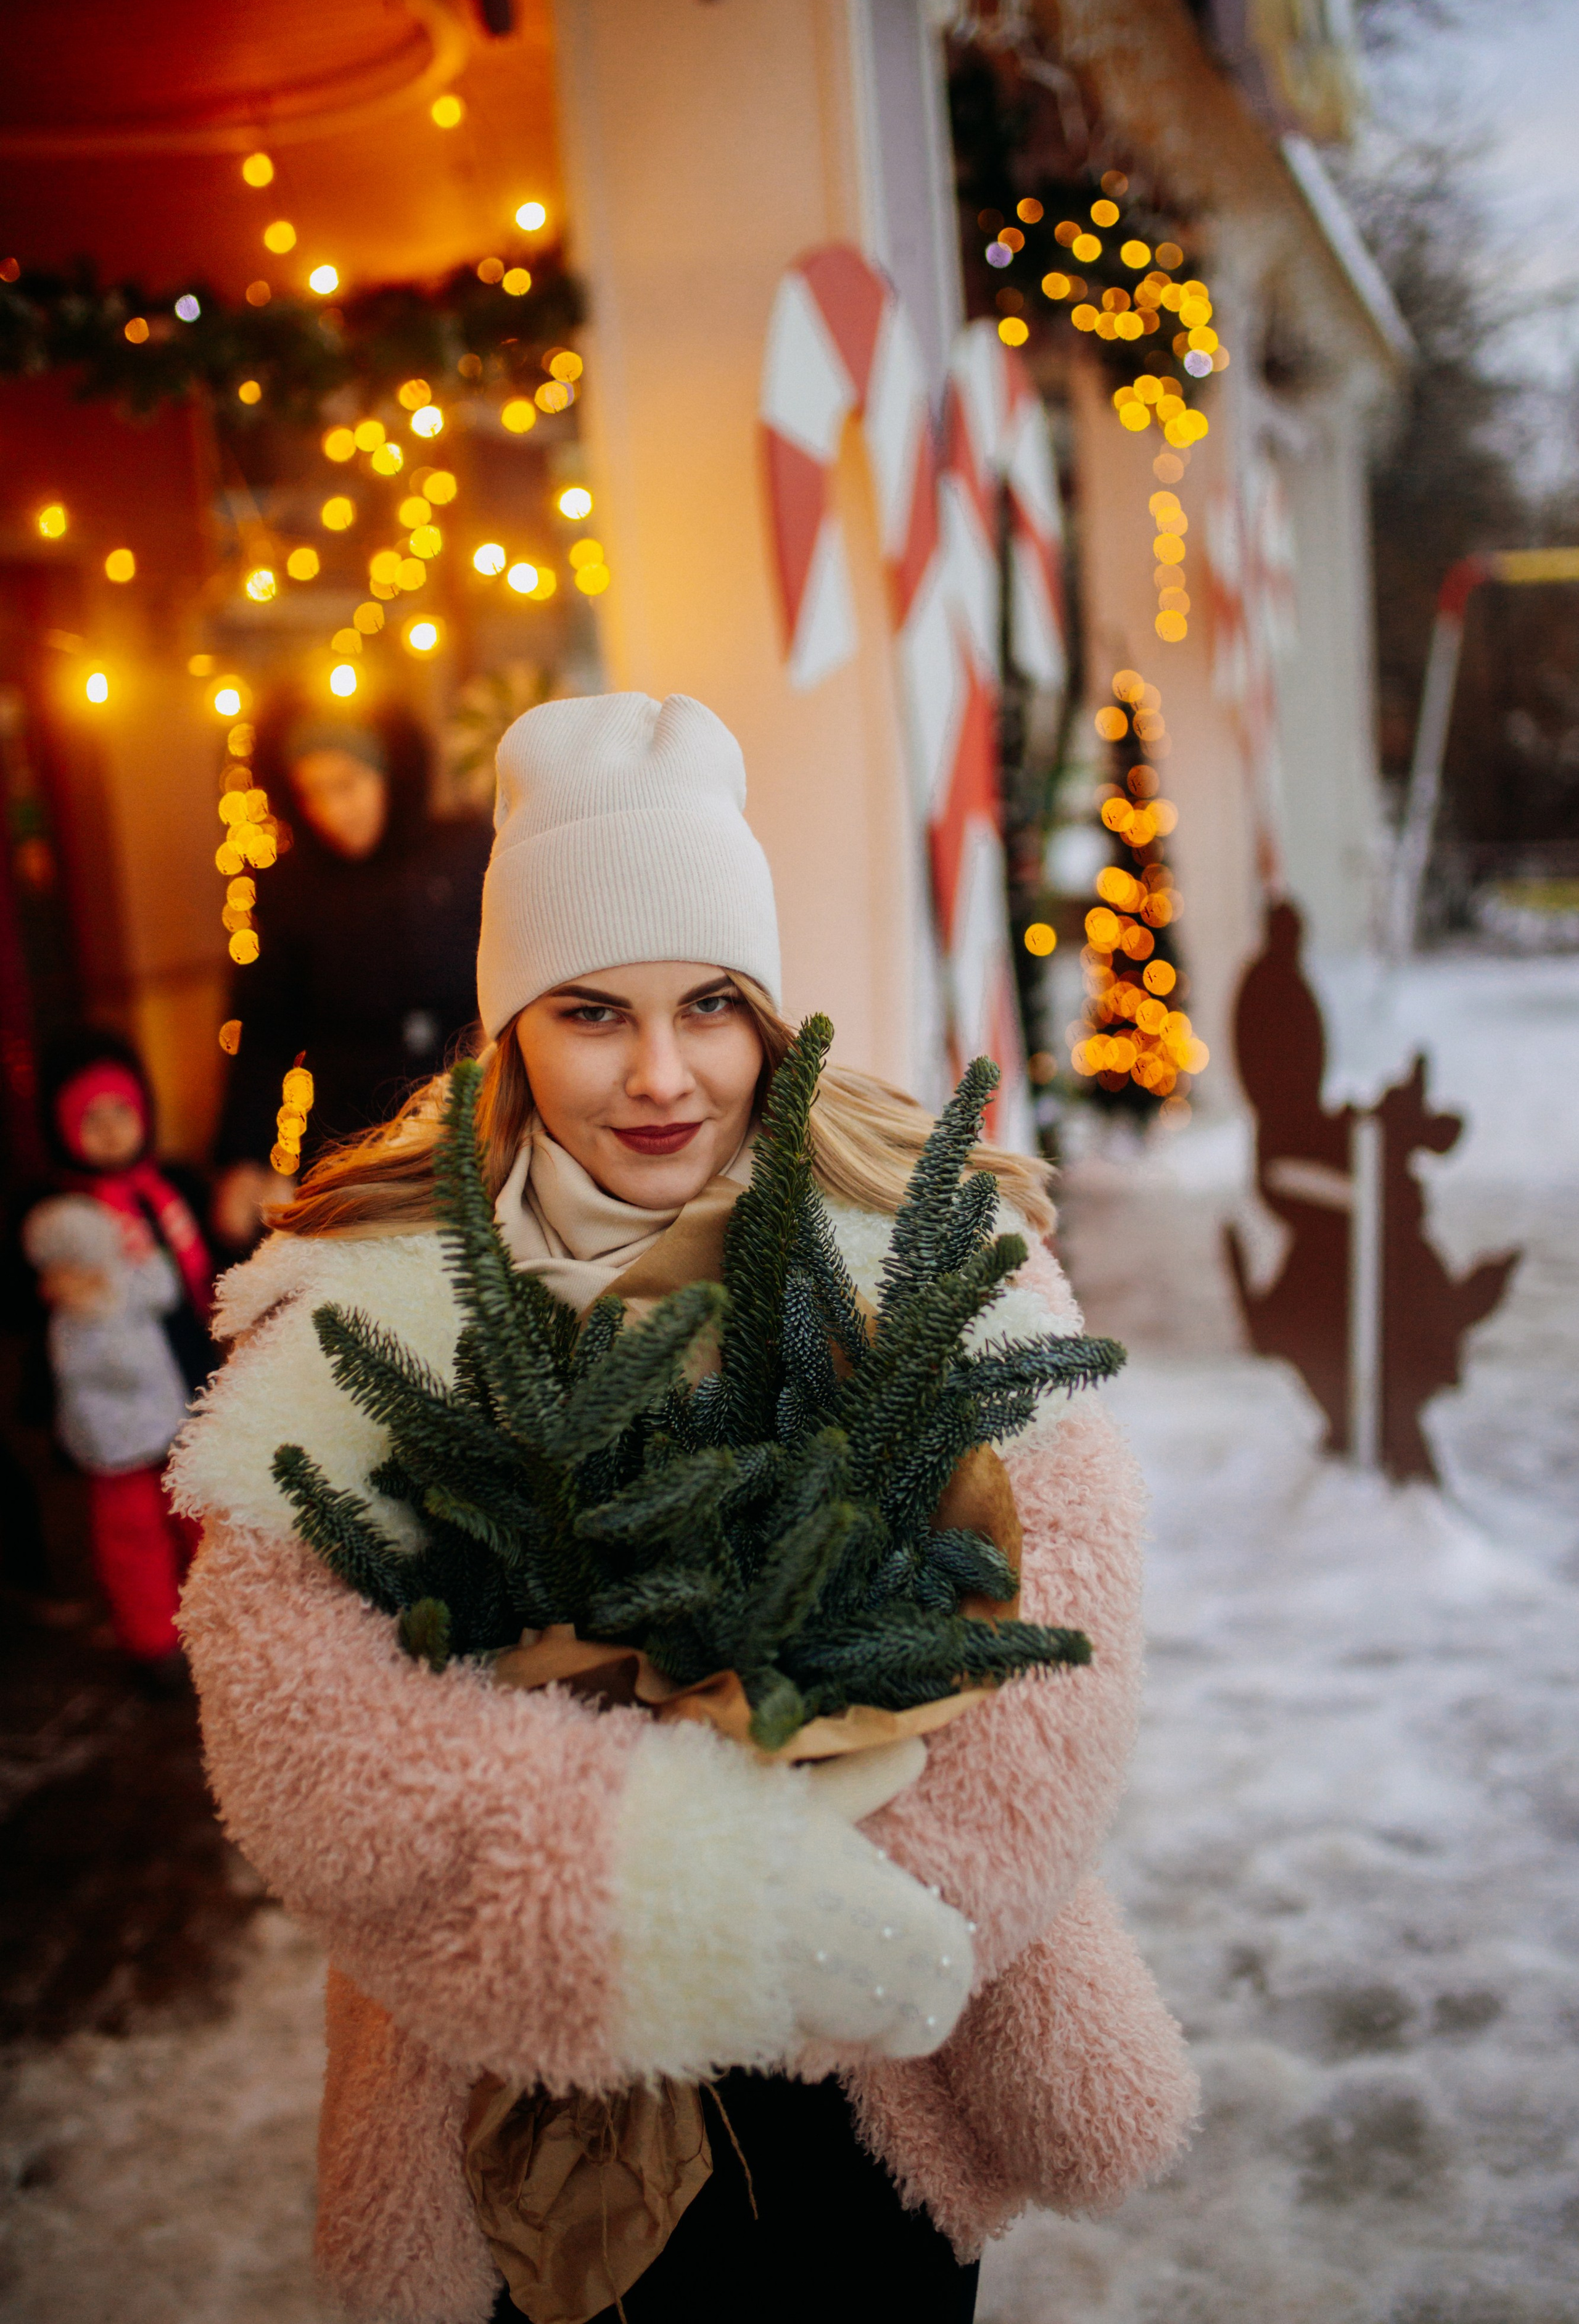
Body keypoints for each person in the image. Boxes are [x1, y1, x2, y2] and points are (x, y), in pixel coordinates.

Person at [173, 693, 1196, 2324]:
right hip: (538, 2106)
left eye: (711, 1003)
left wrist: (912, 1901)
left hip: (885, 2075)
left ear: (766, 1015)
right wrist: (700, 1896)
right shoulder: (366, 1315)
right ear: (511, 1021)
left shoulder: (904, 1245)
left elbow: (1068, 1625)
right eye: (592, 1010)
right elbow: (300, 1724)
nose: (663, 1074)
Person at [211, 695, 490, 1249]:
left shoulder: (464, 853)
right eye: (312, 792)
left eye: (346, 785)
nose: (332, 811)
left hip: (469, 1116)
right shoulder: (294, 889)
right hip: (351, 1135)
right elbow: (264, 1031)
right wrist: (242, 1155)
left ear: (389, 775)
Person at [22, 1030, 215, 1688]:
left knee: (199, 1505)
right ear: (61, 1127)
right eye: (89, 1118)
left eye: (121, 1112)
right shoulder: (49, 1214)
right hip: (109, 1393)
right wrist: (50, 1288)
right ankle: (153, 1635)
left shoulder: (175, 1188)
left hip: (187, 1370)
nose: (108, 1131)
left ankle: (216, 1613)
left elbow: (208, 1264)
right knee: (129, 1519)